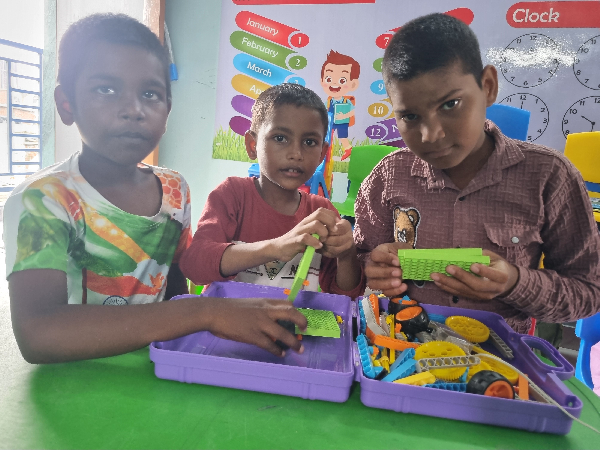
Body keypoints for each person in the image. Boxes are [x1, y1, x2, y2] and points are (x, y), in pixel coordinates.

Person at [4, 14, 307, 364]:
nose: (134, 110)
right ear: (66, 104)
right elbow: (37, 334)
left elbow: (174, 291)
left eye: (150, 94)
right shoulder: (42, 200)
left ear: (168, 109)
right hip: (74, 382)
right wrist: (204, 312)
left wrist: (202, 320)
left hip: (157, 372)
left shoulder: (174, 189)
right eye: (106, 89)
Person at [354, 13, 600, 334]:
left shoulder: (550, 176)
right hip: (399, 347)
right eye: (410, 116)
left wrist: (514, 282)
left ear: (488, 87)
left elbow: (588, 291)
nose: (431, 134)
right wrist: (373, 268)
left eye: (450, 104)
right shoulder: (388, 176)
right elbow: (360, 260)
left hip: (501, 355)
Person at [180, 84, 364, 297]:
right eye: (280, 138)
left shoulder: (321, 211)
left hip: (293, 318)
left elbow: (347, 295)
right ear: (252, 145)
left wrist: (347, 254)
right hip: (228, 317)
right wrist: (276, 248)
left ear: (322, 154)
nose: (296, 153)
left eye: (309, 142)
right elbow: (195, 266)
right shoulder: (232, 195)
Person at [319, 51, 360, 161]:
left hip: (342, 122)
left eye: (342, 80)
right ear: (322, 81)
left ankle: (348, 149)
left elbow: (352, 112)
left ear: (353, 84)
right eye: (329, 79)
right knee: (328, 136)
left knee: (342, 136)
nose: (334, 84)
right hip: (330, 122)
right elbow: (323, 110)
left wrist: (344, 116)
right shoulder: (329, 101)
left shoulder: (347, 101)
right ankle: (326, 152)